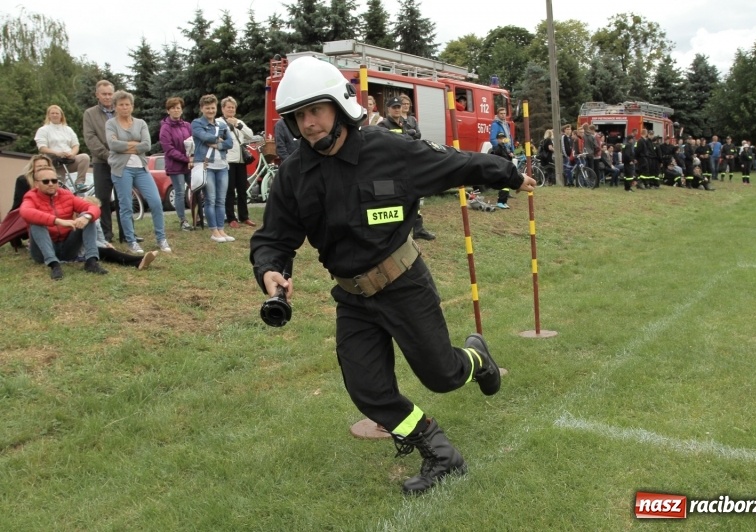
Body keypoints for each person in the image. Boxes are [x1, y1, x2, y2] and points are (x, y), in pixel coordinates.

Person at [250, 56, 537, 495]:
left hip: (404, 285)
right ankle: (440, 452)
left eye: (315, 111)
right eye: (298, 115)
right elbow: (274, 238)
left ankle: (477, 358)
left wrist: (510, 176)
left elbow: (456, 164)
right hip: (352, 298)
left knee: (442, 375)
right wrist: (271, 271)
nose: (307, 124)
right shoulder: (294, 176)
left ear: (338, 105)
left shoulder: (388, 150)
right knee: (368, 389)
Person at [106, 90, 172, 254]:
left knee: (156, 202)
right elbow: (113, 145)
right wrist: (135, 144)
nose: (124, 107)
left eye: (127, 104)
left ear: (132, 106)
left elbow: (147, 146)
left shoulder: (140, 123)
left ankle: (161, 238)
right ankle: (131, 241)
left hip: (141, 168)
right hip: (121, 170)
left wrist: (125, 145)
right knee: (126, 206)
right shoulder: (111, 124)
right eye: (121, 104)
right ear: (115, 107)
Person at [19, 166, 108, 280]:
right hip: (42, 252)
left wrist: (86, 216)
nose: (51, 184)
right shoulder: (30, 197)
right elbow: (25, 212)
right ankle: (54, 265)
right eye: (46, 181)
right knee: (36, 223)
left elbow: (93, 207)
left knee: (88, 217)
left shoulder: (67, 195)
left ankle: (91, 262)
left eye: (54, 180)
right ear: (36, 184)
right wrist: (58, 221)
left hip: (67, 248)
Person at [379, 96, 435, 240]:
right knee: (393, 200)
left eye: (399, 107)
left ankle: (418, 229)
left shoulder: (404, 123)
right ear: (388, 109)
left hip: (405, 166)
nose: (397, 110)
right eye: (394, 107)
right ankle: (392, 231)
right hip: (390, 168)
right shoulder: (383, 125)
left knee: (413, 195)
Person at [83, 80, 123, 244]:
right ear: (97, 95)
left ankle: (126, 233)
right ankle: (107, 233)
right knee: (103, 198)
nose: (107, 97)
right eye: (104, 94)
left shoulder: (121, 110)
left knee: (123, 198)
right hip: (101, 162)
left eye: (110, 93)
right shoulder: (89, 114)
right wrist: (108, 155)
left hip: (122, 161)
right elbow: (90, 138)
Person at [192, 94, 234, 243]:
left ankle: (221, 230)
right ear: (202, 108)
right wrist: (217, 139)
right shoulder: (196, 123)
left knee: (221, 200)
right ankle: (214, 231)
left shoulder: (221, 125)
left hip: (222, 165)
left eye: (212, 108)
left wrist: (218, 144)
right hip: (206, 165)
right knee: (210, 199)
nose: (210, 110)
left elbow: (230, 143)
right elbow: (203, 136)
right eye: (207, 108)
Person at [83, 196, 158, 270]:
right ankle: (140, 260)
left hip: (95, 247)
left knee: (108, 251)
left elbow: (100, 238)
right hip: (85, 249)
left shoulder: (96, 220)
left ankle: (139, 261)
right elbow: (88, 241)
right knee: (107, 252)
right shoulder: (82, 220)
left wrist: (106, 244)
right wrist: (104, 246)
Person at [34, 105, 91, 190]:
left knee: (84, 157)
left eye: (57, 113)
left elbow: (76, 145)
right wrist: (57, 153)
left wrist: (72, 154)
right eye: (52, 113)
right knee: (60, 185)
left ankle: (79, 183)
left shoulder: (68, 129)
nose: (55, 115)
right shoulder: (43, 130)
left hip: (69, 159)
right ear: (48, 115)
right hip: (54, 161)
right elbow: (42, 147)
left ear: (61, 115)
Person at [219, 96, 256, 229]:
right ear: (223, 108)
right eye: (228, 107)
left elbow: (250, 135)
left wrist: (238, 125)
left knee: (242, 189)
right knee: (229, 190)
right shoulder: (219, 122)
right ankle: (231, 218)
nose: (231, 109)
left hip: (241, 161)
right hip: (228, 161)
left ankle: (244, 217)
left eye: (233, 107)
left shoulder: (239, 122)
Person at [159, 96, 193, 231]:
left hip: (190, 165)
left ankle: (198, 216)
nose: (176, 110)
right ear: (168, 111)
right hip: (175, 166)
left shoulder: (187, 126)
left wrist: (192, 158)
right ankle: (183, 220)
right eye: (173, 108)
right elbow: (169, 149)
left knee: (196, 189)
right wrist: (186, 159)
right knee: (179, 192)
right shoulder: (165, 128)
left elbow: (192, 143)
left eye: (178, 108)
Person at [489, 131, 514, 208]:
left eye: (503, 138)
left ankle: (504, 202)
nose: (502, 139)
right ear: (497, 139)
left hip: (506, 168)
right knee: (503, 186)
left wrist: (510, 155)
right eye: (500, 138)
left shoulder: (505, 147)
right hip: (501, 168)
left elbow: (507, 157)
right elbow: (497, 158)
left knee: (506, 186)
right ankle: (500, 202)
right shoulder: (497, 148)